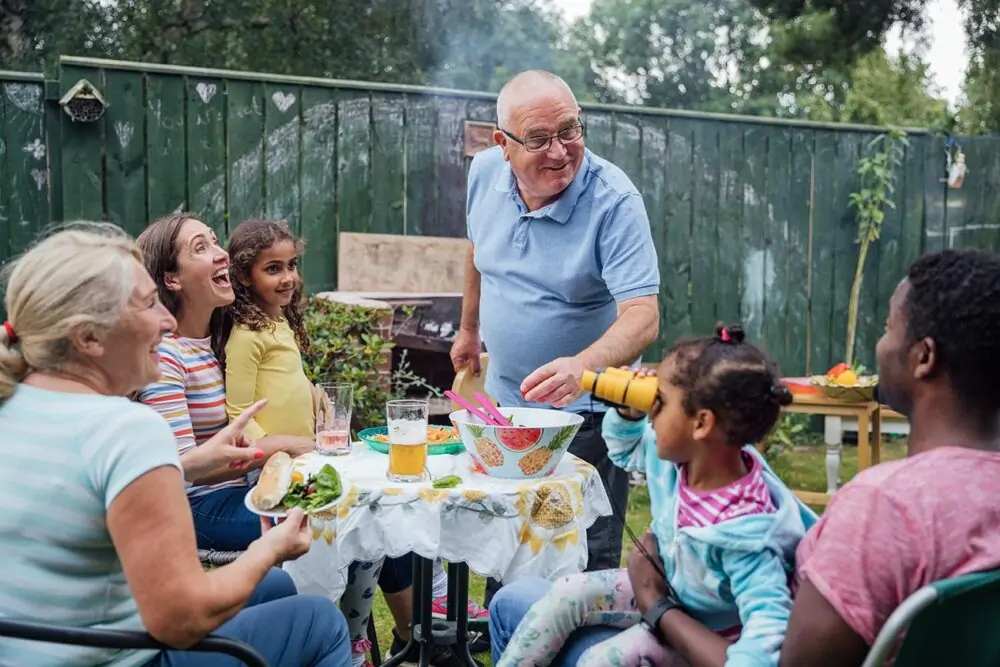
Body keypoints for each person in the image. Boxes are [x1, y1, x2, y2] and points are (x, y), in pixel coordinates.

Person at [491, 248, 1000, 667]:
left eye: (889, 327)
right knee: (527, 600)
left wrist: (659, 606)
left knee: (518, 608)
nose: (879, 340)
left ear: (924, 356)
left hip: (699, 632)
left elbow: (769, 654)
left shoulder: (880, 508)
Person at [0, 222, 349, 667]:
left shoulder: (13, 404)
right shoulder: (125, 430)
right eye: (147, 305)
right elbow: (180, 620)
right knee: (317, 619)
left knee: (279, 588)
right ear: (88, 337)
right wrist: (272, 548)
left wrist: (189, 464)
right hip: (123, 657)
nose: (166, 320)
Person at [450, 70, 661, 607]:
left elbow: (643, 316)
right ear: (502, 144)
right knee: (510, 547)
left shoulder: (614, 200)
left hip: (585, 418)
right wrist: (470, 327)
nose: (561, 151)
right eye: (540, 139)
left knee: (579, 561)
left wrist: (582, 368)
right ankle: (511, 642)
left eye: (570, 130)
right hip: (504, 408)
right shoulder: (483, 174)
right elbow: (476, 250)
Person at [496, 324, 815, 667]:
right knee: (564, 596)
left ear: (701, 423)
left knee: (602, 660)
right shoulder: (684, 461)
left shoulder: (748, 533)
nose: (651, 411)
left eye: (659, 403)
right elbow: (624, 451)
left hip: (707, 630)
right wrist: (628, 414)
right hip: (669, 585)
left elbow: (766, 639)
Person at [135, 213, 314, 552]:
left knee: (370, 502)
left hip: (248, 487)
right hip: (200, 509)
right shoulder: (167, 358)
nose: (222, 253)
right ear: (172, 279)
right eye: (201, 248)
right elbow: (187, 470)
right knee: (328, 515)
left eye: (215, 241)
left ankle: (425, 601)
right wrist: (289, 445)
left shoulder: (222, 339)